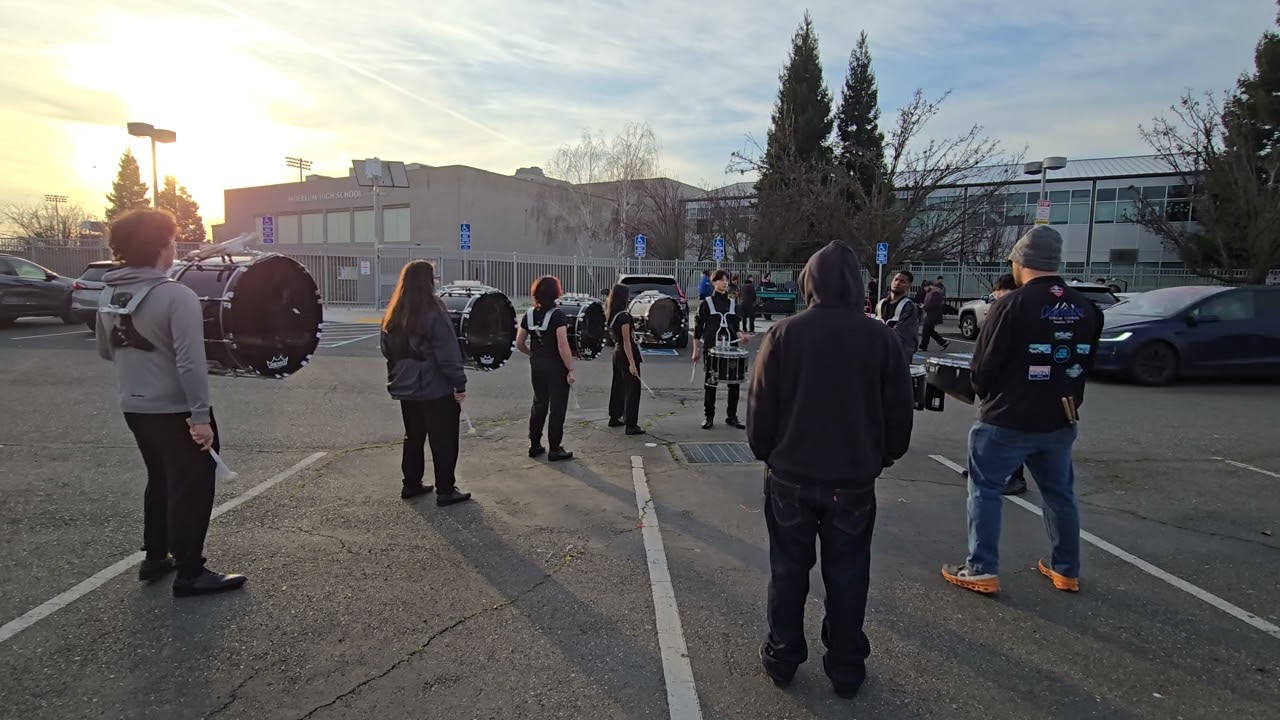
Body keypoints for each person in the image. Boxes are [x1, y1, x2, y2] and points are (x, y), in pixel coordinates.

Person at [747, 240, 914, 699]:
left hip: (790, 476)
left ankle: (782, 656)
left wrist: (767, 452)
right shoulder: (881, 337)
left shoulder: (784, 335)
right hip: (853, 480)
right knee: (848, 574)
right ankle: (846, 666)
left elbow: (761, 408)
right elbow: (900, 411)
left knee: (787, 570)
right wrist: (883, 456)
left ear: (809, 282)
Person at [942, 226, 1103, 595]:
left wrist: (977, 392)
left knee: (984, 490)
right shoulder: (1086, 307)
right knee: (1059, 494)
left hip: (1006, 418)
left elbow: (982, 368)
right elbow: (1086, 362)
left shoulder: (1010, 305)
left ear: (1021, 261)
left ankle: (981, 568)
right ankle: (1066, 569)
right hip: (1060, 417)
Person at [95, 207, 246, 597]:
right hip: (175, 409)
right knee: (192, 486)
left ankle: (156, 556)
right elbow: (190, 362)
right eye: (171, 240)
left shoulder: (110, 291)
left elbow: (105, 351)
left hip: (134, 405)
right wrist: (200, 417)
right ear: (162, 245)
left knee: (160, 478)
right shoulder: (176, 295)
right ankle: (191, 571)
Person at [380, 259, 472, 506]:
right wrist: (459, 383)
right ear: (427, 281)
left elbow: (387, 349)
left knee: (414, 436)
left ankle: (411, 484)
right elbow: (447, 351)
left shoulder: (394, 311)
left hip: (405, 386)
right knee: (443, 438)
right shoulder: (433, 309)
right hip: (434, 387)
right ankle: (446, 489)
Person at [516, 275, 576, 461]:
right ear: (555, 292)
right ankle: (555, 448)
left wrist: (532, 354)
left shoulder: (529, 314)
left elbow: (519, 343)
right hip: (556, 368)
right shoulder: (558, 315)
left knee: (539, 403)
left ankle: (535, 444)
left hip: (537, 366)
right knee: (557, 407)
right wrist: (570, 368)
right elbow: (562, 345)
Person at [691, 269, 751, 430]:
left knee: (734, 383)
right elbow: (698, 329)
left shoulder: (732, 304)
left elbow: (735, 327)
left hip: (731, 348)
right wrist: (695, 350)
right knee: (711, 383)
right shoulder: (706, 303)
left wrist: (742, 336)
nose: (725, 282)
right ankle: (708, 417)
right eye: (721, 280)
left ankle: (732, 416)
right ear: (714, 282)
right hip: (712, 349)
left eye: (727, 280)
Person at [605, 283, 645, 435]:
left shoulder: (611, 314)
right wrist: (632, 364)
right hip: (626, 353)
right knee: (632, 389)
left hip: (617, 352)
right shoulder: (624, 316)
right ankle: (631, 423)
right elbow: (627, 341)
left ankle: (614, 416)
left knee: (618, 385)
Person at [876, 270, 921, 364]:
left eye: (902, 281)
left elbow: (904, 334)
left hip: (899, 356)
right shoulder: (881, 304)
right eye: (896, 279)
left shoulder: (909, 306)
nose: (897, 283)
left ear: (909, 286)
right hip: (880, 354)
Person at [919, 283, 950, 352]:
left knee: (926, 330)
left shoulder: (936, 294)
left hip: (933, 315)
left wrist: (924, 307)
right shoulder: (932, 293)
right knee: (929, 330)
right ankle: (943, 342)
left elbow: (934, 305)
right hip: (931, 314)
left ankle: (923, 346)